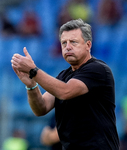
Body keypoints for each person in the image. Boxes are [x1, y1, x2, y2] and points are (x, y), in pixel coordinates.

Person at [11, 19, 120, 149]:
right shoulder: (64, 76)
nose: (68, 47)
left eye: (73, 42)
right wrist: (31, 85)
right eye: (64, 43)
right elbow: (41, 108)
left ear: (88, 45)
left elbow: (65, 92)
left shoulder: (98, 69)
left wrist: (33, 71)